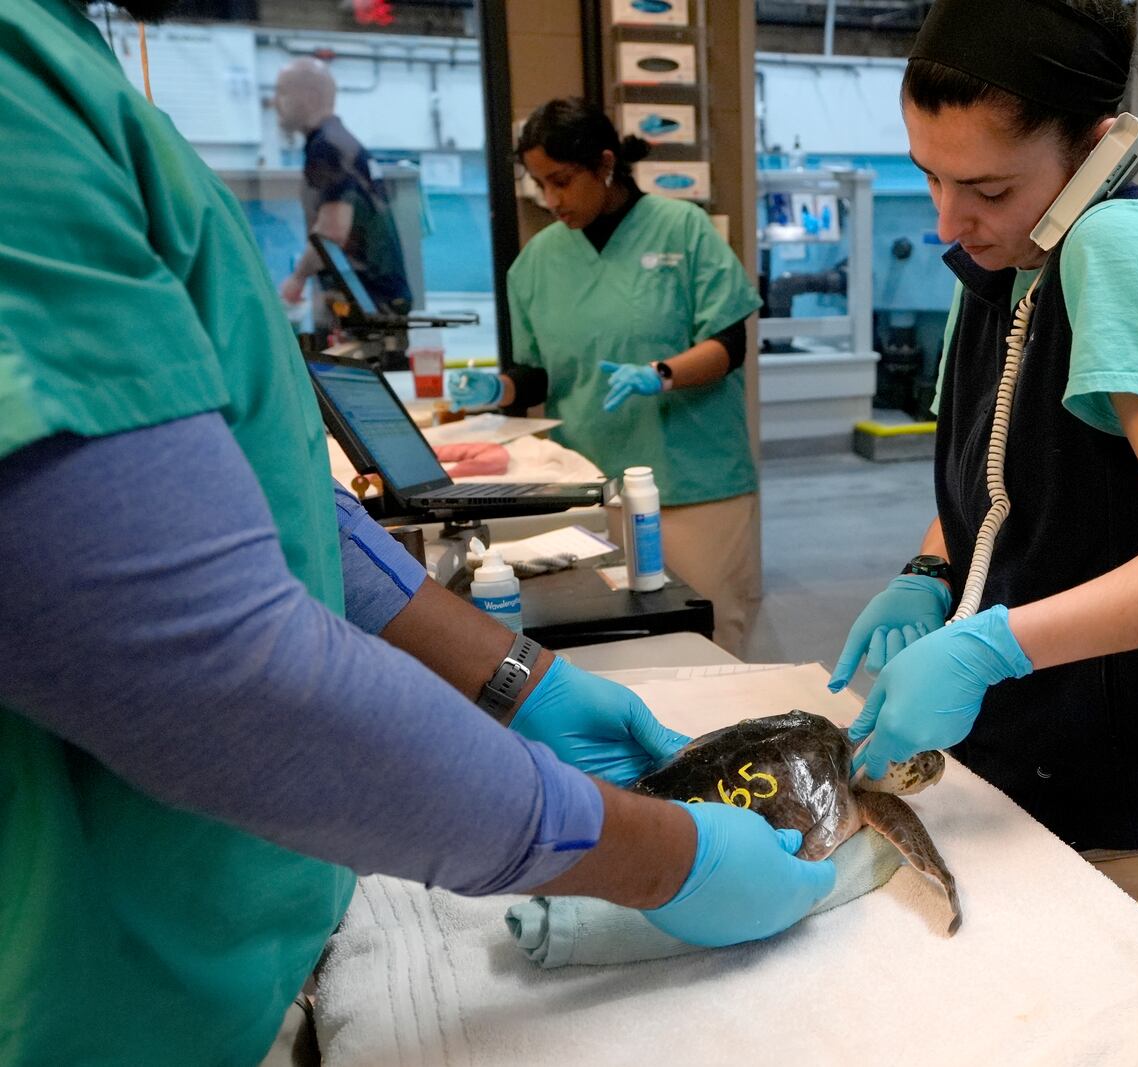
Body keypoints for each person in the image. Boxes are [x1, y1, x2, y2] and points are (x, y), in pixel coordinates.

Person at [0, 3, 834, 1063]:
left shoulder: (75, 76)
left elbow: (288, 504)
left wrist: (518, 678)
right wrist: (651, 853)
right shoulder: (18, 102)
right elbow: (201, 665)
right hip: (112, 1000)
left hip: (243, 942)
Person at [827, 0, 1138, 985]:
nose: (950, 221)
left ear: (1096, 147)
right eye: (929, 177)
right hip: (1032, 772)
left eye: (985, 186)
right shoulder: (1005, 259)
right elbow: (1002, 477)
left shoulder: (1122, 251)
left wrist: (994, 642)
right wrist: (927, 571)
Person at [447, 99, 763, 655]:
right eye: (541, 184)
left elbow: (730, 345)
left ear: (605, 164)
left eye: (563, 181)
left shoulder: (681, 229)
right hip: (590, 489)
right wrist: (500, 389)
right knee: (609, 647)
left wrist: (661, 375)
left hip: (693, 484)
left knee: (709, 639)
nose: (552, 200)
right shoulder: (537, 262)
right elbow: (540, 377)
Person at [274, 56, 413, 317]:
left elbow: (331, 232)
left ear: (311, 96)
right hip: (375, 300)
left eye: (282, 92)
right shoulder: (337, 142)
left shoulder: (328, 148)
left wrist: (297, 279)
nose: (275, 103)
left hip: (370, 305)